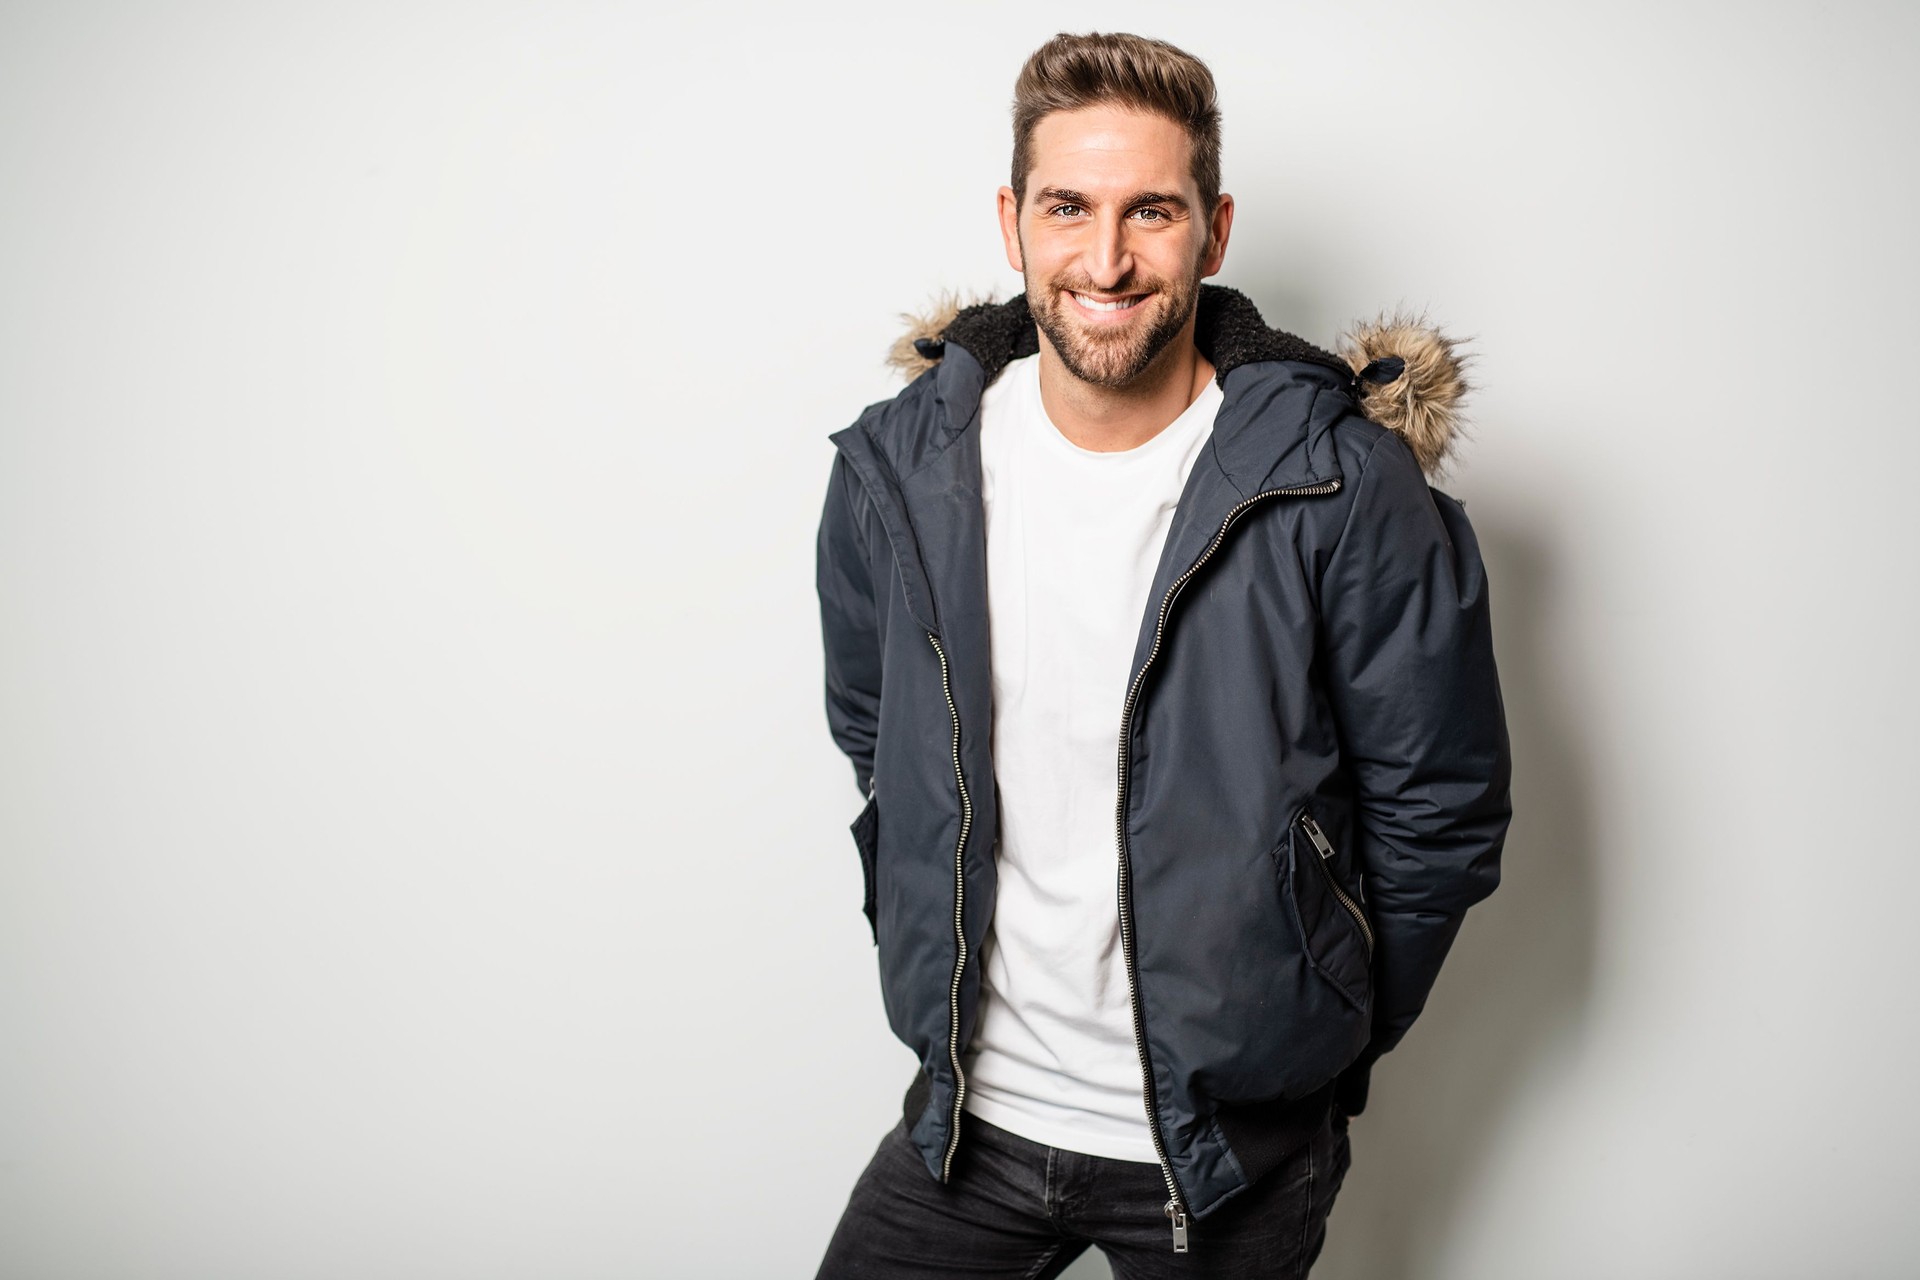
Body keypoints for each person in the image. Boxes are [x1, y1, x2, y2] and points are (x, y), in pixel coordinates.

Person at [811, 30, 1512, 1279]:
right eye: (1068, 207)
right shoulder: (899, 470)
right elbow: (877, 734)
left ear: (1216, 229)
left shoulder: (1341, 484)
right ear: (1012, 223)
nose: (1108, 257)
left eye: (1154, 211)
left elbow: (1440, 807)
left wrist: (1312, 1030)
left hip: (1225, 1149)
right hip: (968, 1114)